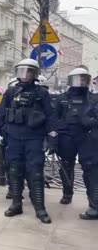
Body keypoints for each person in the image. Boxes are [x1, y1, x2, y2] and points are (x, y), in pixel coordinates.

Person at [0, 59, 57, 224]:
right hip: (14, 138)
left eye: (28, 71)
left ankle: (40, 208)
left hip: (34, 139)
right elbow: (0, 114)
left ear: (34, 74)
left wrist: (52, 138)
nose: (24, 74)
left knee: (35, 172)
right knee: (14, 170)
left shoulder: (41, 93)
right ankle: (16, 203)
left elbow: (51, 117)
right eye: (21, 71)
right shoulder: (11, 92)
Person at [54, 68, 93, 205]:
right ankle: (67, 193)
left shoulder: (92, 99)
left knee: (90, 167)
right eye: (78, 78)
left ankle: (93, 199)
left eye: (84, 79)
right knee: (66, 165)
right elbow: (53, 120)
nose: (81, 82)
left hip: (86, 138)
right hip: (66, 137)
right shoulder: (62, 98)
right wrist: (53, 138)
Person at [81, 97, 98, 219]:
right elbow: (85, 121)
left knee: (94, 176)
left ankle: (95, 208)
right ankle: (94, 206)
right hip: (93, 143)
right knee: (91, 175)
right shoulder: (94, 101)